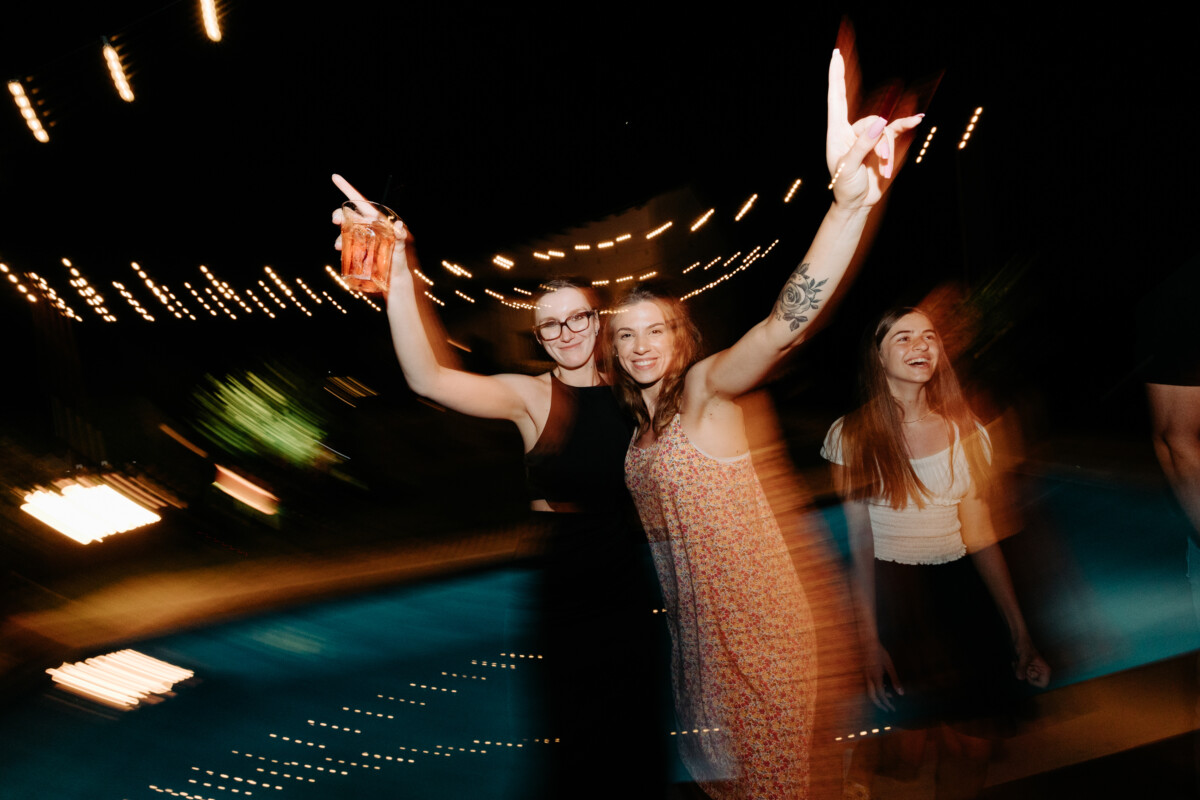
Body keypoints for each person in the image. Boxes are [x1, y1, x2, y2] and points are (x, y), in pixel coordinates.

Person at [607, 50, 923, 799]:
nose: (642, 344)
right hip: (704, 649)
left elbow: (785, 323)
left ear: (683, 338)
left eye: (656, 329)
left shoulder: (708, 391)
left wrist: (848, 208)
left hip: (769, 636)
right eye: (625, 334)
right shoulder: (636, 433)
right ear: (613, 351)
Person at [330, 180, 668, 798]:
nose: (566, 333)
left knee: (639, 738)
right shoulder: (531, 396)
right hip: (564, 584)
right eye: (550, 326)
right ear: (537, 337)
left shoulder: (639, 389)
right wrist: (400, 269)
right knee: (574, 746)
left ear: (599, 319)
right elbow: (428, 377)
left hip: (628, 580)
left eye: (578, 317)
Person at [822, 306, 1050, 799]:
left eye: (929, 337)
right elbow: (859, 543)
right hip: (896, 594)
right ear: (877, 356)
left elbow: (981, 532)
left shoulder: (967, 432)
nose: (920, 346)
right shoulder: (852, 435)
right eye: (903, 338)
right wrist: (868, 639)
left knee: (972, 747)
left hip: (962, 593)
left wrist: (1018, 629)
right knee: (904, 749)